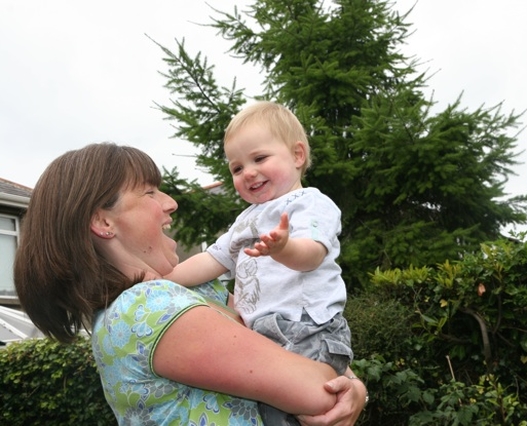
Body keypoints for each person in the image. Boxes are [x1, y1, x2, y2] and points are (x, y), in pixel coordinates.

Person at [13, 142, 367, 426]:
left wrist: (355, 387)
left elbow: (305, 334)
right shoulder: (146, 310)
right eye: (150, 193)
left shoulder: (194, 293)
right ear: (103, 221)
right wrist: (349, 387)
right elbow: (319, 392)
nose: (171, 203)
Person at [164, 101, 354, 426]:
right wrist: (162, 277)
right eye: (237, 168)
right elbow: (211, 259)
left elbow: (312, 254)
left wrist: (283, 248)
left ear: (297, 156)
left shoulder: (309, 202)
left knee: (310, 412)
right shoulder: (245, 220)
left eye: (260, 158)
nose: (248, 172)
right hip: (263, 335)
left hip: (306, 327)